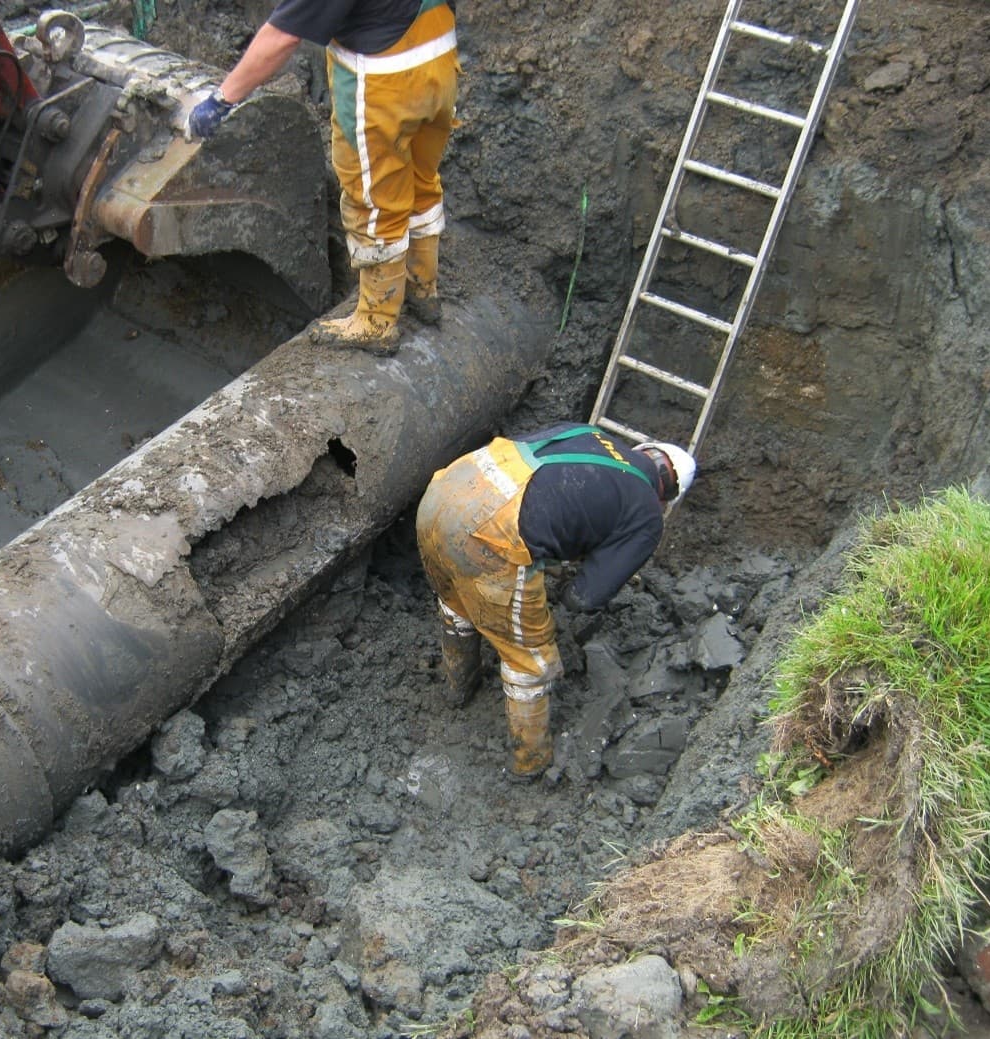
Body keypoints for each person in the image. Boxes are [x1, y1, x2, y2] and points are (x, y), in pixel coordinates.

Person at [415, 422, 696, 780]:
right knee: (531, 665)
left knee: (459, 605)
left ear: (645, 450)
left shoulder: (591, 433)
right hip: (491, 533)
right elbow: (584, 597)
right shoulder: (647, 514)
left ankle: (458, 688)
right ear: (666, 497)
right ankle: (530, 764)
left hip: (446, 489)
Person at [187, 0, 459, 356]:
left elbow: (283, 37)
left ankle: (376, 321)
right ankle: (422, 288)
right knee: (421, 182)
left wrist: (222, 100)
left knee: (373, 200)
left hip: (383, 83)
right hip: (439, 61)